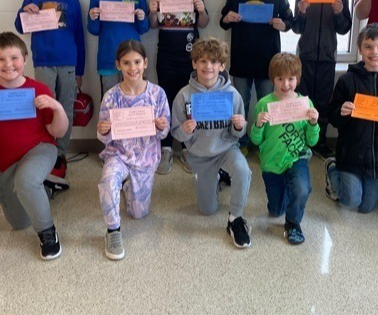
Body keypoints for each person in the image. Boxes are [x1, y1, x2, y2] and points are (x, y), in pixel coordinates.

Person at [0, 32, 68, 261]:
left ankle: (48, 233)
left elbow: (57, 132)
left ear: (24, 59)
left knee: (26, 181)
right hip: (5, 162)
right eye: (1, 59)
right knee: (19, 222)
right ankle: (46, 188)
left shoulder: (39, 89)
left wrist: (58, 108)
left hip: (39, 149)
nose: (8, 64)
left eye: (14, 58)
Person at [171, 38, 253, 248]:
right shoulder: (184, 96)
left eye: (214, 62)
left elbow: (239, 133)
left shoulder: (232, 94)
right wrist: (184, 130)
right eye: (203, 61)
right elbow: (176, 134)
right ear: (194, 64)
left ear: (222, 66)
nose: (208, 66)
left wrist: (238, 125)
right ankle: (216, 177)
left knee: (243, 170)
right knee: (207, 210)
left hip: (226, 149)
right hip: (199, 155)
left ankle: (235, 219)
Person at [14, 0, 85, 188]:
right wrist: (25, 11)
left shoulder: (72, 0)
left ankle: (61, 152)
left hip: (68, 62)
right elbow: (20, 27)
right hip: (43, 61)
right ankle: (46, 150)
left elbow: (79, 36)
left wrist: (80, 69)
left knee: (65, 107)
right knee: (45, 107)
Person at [324, 23, 378, 213]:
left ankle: (360, 182)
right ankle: (332, 169)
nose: (375, 52)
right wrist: (341, 111)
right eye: (368, 47)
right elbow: (332, 115)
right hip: (351, 154)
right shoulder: (347, 80)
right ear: (360, 49)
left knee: (366, 207)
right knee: (351, 201)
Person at [96, 40, 170, 260]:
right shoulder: (111, 96)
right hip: (118, 154)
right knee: (108, 179)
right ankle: (112, 231)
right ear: (118, 65)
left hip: (145, 158)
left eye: (137, 62)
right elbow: (103, 136)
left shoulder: (157, 94)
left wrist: (160, 127)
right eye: (126, 63)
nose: (132, 68)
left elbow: (164, 133)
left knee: (138, 214)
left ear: (145, 63)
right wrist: (103, 130)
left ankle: (129, 186)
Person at [220, 0, 293, 153]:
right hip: (242, 59)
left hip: (269, 60)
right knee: (240, 103)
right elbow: (223, 21)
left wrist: (283, 24)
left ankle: (264, 143)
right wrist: (228, 18)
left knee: (267, 105)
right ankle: (240, 142)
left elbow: (289, 20)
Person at [149, 0, 209, 176]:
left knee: (189, 102)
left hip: (191, 57)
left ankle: (187, 147)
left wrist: (202, 11)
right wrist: (153, 11)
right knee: (166, 98)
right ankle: (165, 147)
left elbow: (202, 23)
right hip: (165, 55)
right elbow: (153, 26)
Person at [249, 52, 319, 245]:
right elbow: (256, 140)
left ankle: (293, 223)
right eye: (280, 79)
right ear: (273, 79)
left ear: (298, 79)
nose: (286, 84)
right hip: (271, 163)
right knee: (275, 210)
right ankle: (287, 193)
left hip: (297, 157)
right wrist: (258, 125)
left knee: (302, 188)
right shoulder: (264, 104)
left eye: (291, 79)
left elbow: (312, 142)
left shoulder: (305, 103)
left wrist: (313, 123)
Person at [292, 0, 352, 158]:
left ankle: (319, 141)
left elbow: (345, 28)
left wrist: (339, 12)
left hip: (327, 58)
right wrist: (301, 12)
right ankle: (301, 141)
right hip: (305, 57)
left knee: (323, 101)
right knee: (302, 100)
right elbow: (297, 28)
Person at [87, 0, 149, 98]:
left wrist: (142, 18)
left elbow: (144, 29)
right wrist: (93, 18)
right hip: (107, 58)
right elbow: (93, 31)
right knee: (110, 101)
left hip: (133, 61)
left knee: (135, 99)